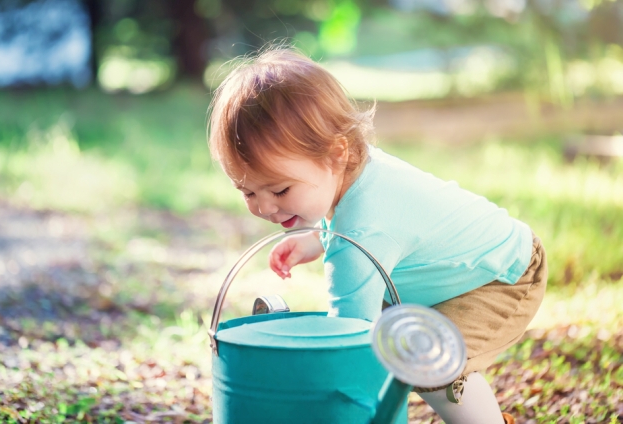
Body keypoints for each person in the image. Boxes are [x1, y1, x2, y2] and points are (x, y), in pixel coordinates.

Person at [207, 45, 547, 424]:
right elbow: (359, 220)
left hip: (503, 274)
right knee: (396, 339)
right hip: (453, 271)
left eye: (281, 191)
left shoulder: (363, 234)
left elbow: (348, 341)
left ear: (336, 154)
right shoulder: (350, 172)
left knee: (429, 359)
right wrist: (316, 239)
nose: (264, 208)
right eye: (248, 192)